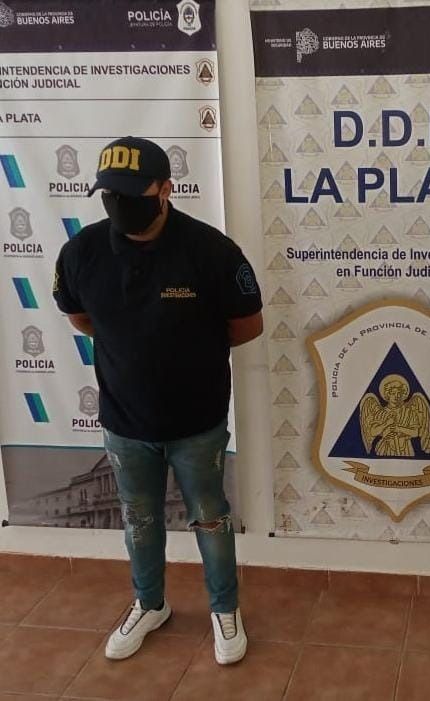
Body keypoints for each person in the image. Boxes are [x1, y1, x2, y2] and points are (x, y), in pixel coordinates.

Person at [53, 137, 263, 665]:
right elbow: (80, 317)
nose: (120, 204)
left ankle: (225, 609)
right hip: (125, 423)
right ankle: (150, 604)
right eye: (111, 195)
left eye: (133, 194)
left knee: (210, 518)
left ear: (166, 189)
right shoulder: (81, 252)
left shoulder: (211, 251)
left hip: (197, 422)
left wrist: (187, 352)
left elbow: (247, 325)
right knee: (139, 521)